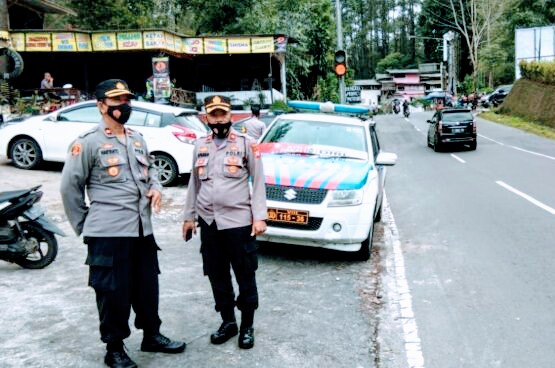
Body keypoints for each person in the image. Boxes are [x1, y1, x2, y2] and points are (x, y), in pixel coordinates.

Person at [60, 79, 185, 368]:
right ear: (101, 105)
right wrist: (87, 226)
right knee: (112, 292)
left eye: (126, 100)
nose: (123, 106)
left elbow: (151, 170)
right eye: (116, 101)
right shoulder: (87, 142)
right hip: (108, 232)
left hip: (142, 229)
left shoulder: (137, 138)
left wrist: (156, 187)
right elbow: (69, 188)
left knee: (147, 286)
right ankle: (114, 348)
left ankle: (151, 335)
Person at [182, 95, 267, 350]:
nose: (219, 119)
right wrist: (188, 217)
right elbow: (193, 185)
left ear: (231, 115)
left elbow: (259, 180)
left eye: (223, 114)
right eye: (214, 114)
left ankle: (247, 326)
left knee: (245, 275)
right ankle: (228, 322)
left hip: (239, 223)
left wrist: (260, 216)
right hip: (209, 223)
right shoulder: (200, 146)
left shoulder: (246, 144)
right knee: (217, 275)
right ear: (206, 117)